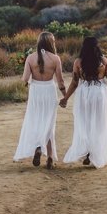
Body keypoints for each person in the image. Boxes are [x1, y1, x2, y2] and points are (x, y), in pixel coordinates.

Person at [60, 35, 107, 168]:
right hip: (100, 94)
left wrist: (65, 98)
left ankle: (88, 152)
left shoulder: (78, 62)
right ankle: (95, 154)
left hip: (84, 94)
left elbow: (75, 82)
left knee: (85, 123)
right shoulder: (103, 61)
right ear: (97, 46)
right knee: (99, 123)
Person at [13, 31, 66, 169]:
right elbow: (60, 81)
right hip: (49, 91)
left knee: (36, 121)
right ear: (50, 43)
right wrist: (65, 96)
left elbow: (25, 79)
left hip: (36, 92)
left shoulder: (30, 58)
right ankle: (49, 157)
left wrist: (27, 84)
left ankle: (38, 147)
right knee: (49, 123)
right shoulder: (55, 58)